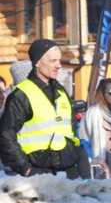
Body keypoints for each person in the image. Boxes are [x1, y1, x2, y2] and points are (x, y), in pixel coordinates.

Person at [0, 39, 89, 178]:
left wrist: (81, 162)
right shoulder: (21, 95)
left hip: (70, 171)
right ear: (37, 62)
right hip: (39, 173)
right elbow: (5, 135)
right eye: (53, 61)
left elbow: (71, 132)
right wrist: (25, 169)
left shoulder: (61, 92)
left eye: (59, 60)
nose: (59, 66)